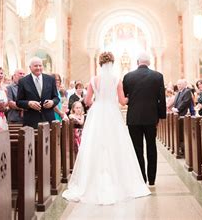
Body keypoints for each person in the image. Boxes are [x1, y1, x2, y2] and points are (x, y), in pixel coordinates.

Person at [63, 52, 151, 204]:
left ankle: (92, 180)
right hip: (112, 113)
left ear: (99, 63)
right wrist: (135, 97)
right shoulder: (117, 79)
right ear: (113, 63)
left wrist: (96, 102)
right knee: (116, 144)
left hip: (97, 114)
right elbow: (123, 101)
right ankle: (119, 180)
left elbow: (87, 100)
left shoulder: (93, 80)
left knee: (95, 144)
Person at [123, 51, 166, 186]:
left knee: (137, 148)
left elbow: (125, 97)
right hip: (151, 117)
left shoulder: (128, 76)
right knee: (151, 147)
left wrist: (133, 101)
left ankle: (141, 178)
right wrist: (161, 116)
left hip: (133, 118)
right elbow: (161, 99)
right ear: (149, 63)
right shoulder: (158, 76)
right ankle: (152, 179)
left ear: (137, 62)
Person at [16, 57, 60, 129]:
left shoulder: (50, 79)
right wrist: (29, 103)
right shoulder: (23, 81)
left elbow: (56, 98)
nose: (38, 68)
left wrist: (52, 102)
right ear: (30, 67)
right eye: (36, 66)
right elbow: (18, 102)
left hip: (48, 118)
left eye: (40, 65)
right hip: (31, 120)